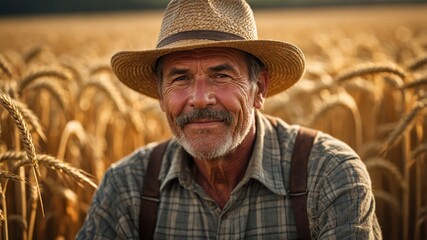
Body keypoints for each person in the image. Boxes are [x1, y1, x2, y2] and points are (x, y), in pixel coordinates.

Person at [77, 0, 382, 239]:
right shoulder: (126, 187)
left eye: (220, 75)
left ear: (258, 89)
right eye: (180, 78)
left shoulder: (328, 175)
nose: (199, 98)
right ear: (160, 96)